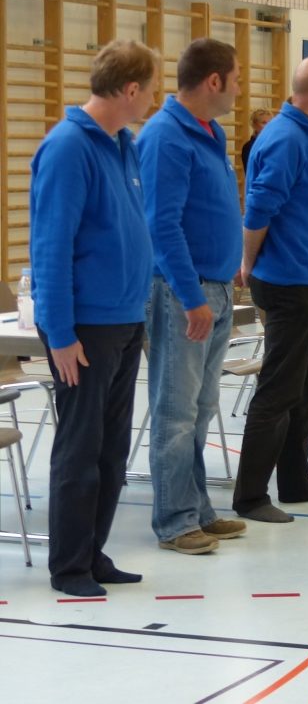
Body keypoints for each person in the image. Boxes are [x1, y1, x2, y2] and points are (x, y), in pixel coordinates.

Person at [30, 40, 159, 597]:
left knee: (111, 449)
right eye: (151, 90)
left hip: (125, 319)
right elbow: (50, 247)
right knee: (81, 448)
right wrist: (60, 333)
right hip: (84, 326)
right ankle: (69, 566)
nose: (154, 100)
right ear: (130, 90)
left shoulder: (124, 145)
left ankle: (92, 551)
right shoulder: (68, 148)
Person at [138, 38, 247, 555]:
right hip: (183, 293)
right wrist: (189, 297)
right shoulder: (165, 136)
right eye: (237, 79)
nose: (240, 89)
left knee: (202, 408)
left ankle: (197, 507)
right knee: (176, 411)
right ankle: (175, 520)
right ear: (214, 81)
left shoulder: (210, 131)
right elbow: (162, 225)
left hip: (216, 287)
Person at [233, 57, 308, 523]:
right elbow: (259, 208)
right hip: (287, 281)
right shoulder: (285, 138)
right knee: (279, 388)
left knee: (307, 383)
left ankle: (296, 481)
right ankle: (250, 495)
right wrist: (249, 262)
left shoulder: (304, 135)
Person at [241, 107, 273, 172]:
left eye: (270, 122)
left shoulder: (274, 144)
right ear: (254, 125)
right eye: (264, 123)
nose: (268, 125)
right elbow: (251, 171)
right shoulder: (249, 146)